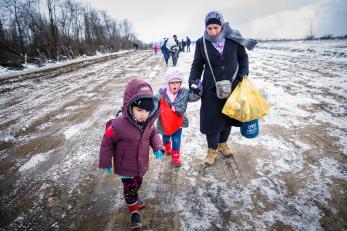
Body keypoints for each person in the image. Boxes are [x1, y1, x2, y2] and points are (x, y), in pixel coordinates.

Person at [188, 10, 257, 166]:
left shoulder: (232, 39)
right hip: (211, 88)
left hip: (233, 86)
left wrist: (244, 72)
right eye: (209, 28)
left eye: (215, 28)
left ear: (222, 26)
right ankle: (212, 150)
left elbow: (243, 57)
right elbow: (197, 65)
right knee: (212, 120)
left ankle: (222, 144)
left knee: (228, 117)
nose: (212, 32)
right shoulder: (201, 43)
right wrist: (193, 80)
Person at [99, 79, 164, 230]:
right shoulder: (118, 125)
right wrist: (106, 162)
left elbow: (153, 134)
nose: (144, 115)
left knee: (138, 183)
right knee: (129, 188)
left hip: (140, 164)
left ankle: (135, 197)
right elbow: (107, 142)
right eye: (139, 110)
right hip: (125, 167)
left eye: (147, 111)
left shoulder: (148, 123)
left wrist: (158, 147)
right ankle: (134, 213)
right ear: (130, 106)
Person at [155, 68, 202, 166]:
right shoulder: (161, 93)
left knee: (176, 140)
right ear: (167, 84)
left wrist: (198, 91)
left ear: (180, 83)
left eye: (177, 82)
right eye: (172, 83)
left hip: (178, 122)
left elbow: (194, 97)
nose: (175, 85)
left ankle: (175, 158)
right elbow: (153, 102)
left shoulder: (184, 92)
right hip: (165, 123)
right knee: (166, 138)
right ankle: (167, 147)